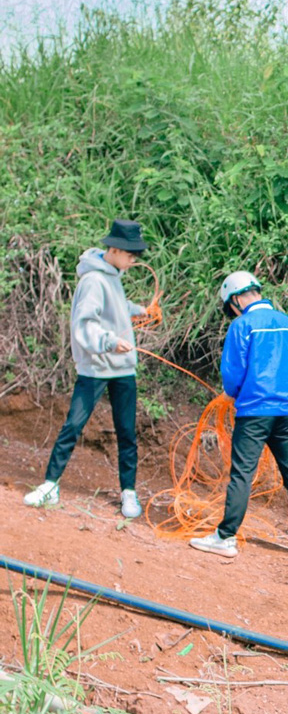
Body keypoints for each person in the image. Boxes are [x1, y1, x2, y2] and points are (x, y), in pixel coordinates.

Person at [188, 271, 288, 559]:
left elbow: (233, 374)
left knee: (242, 472)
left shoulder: (241, 326)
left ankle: (225, 537)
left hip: (254, 411)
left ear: (235, 300)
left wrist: (231, 394)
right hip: (286, 411)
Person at [25, 220, 148, 517]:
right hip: (96, 368)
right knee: (73, 426)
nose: (135, 260)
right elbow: (86, 322)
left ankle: (128, 492)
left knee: (127, 432)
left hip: (122, 370)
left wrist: (140, 311)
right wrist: (109, 342)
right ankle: (50, 486)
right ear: (115, 250)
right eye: (131, 254)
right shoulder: (93, 280)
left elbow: (115, 306)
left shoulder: (113, 276)